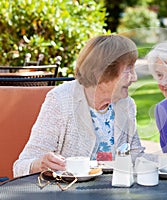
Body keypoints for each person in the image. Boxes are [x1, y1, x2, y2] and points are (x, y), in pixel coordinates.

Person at [13, 35, 145, 177]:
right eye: (129, 69)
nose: (134, 77)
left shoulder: (126, 105)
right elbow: (21, 167)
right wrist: (40, 164)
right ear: (102, 72)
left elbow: (136, 156)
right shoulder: (60, 100)